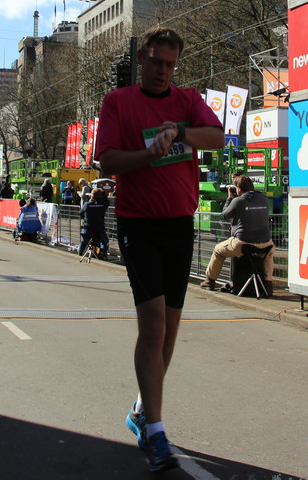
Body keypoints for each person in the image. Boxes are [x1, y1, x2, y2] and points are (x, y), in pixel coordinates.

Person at [95, 26, 224, 472]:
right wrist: (150, 154)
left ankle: (140, 409)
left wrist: (182, 131)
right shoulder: (118, 102)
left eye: (170, 64)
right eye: (155, 62)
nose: (163, 71)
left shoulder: (186, 100)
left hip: (179, 225)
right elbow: (108, 160)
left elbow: (218, 136)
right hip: (139, 224)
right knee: (152, 327)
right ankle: (156, 431)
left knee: (168, 331)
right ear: (141, 59)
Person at [200, 174, 276, 295]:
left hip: (243, 243)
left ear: (239, 189)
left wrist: (229, 198)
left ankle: (210, 281)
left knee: (218, 250)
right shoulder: (264, 199)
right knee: (268, 255)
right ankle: (268, 285)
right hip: (266, 243)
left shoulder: (238, 201)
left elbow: (225, 215)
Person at [79, 187, 110, 259]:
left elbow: (81, 213)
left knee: (84, 241)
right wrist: (103, 193)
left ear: (92, 196)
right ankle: (103, 253)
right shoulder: (102, 204)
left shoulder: (87, 204)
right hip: (99, 228)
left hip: (88, 228)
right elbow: (107, 202)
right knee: (104, 241)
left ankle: (80, 253)